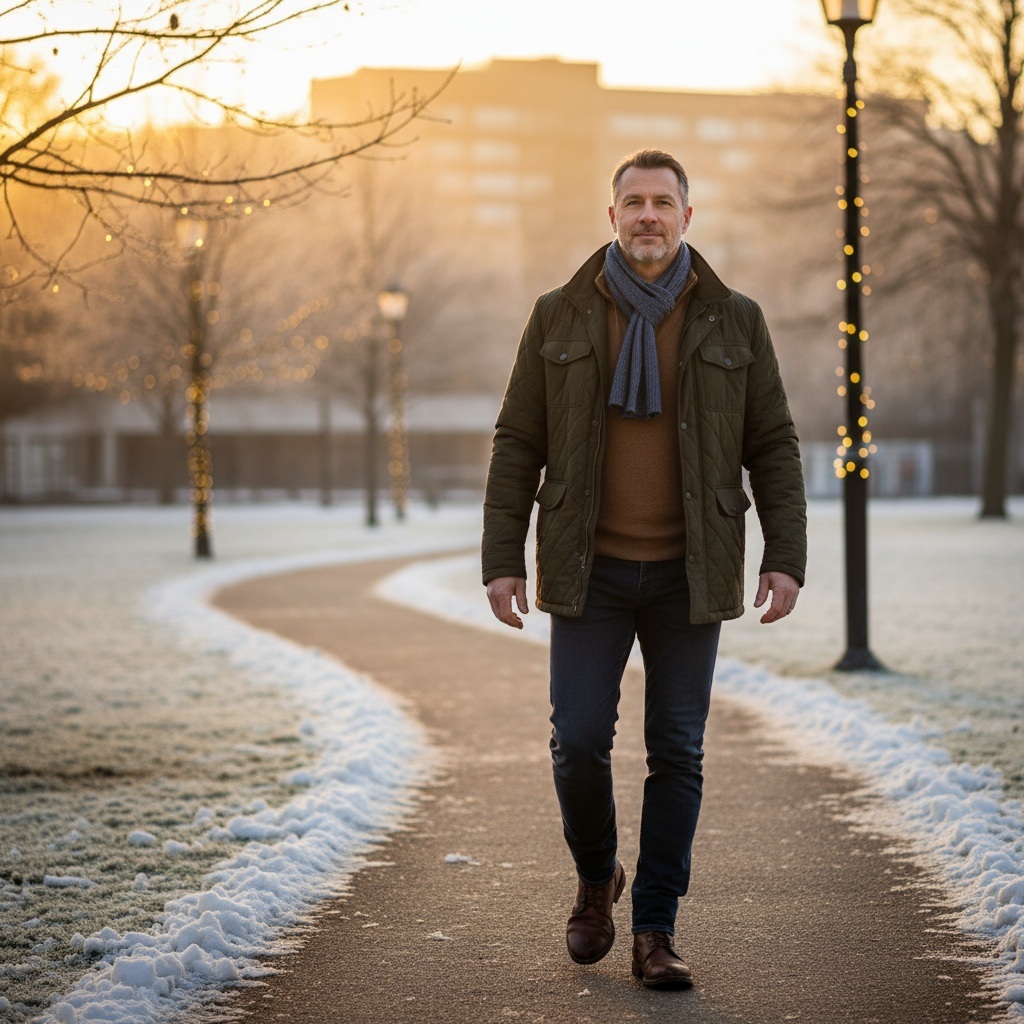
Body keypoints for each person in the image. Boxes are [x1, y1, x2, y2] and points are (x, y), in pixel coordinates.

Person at [481, 149, 807, 989]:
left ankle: (655, 929)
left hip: (689, 574)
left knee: (678, 750)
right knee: (579, 742)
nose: (649, 216)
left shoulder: (735, 319)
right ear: (613, 216)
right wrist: (501, 559)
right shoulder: (558, 314)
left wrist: (786, 557)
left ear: (688, 218)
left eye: (665, 202)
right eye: (635, 203)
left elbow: (771, 445)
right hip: (587, 571)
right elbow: (519, 441)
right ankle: (598, 878)